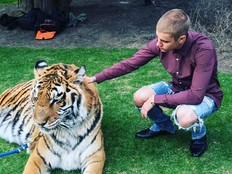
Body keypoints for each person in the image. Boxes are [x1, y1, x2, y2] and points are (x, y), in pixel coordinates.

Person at [85, 9, 223, 157]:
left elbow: (196, 96)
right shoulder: (160, 42)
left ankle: (199, 134)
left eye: (164, 41)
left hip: (206, 96)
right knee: (140, 96)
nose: (158, 44)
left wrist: (155, 99)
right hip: (178, 88)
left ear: (181, 39)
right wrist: (96, 78)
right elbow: (130, 63)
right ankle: (164, 125)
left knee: (184, 116)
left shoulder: (203, 49)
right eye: (157, 38)